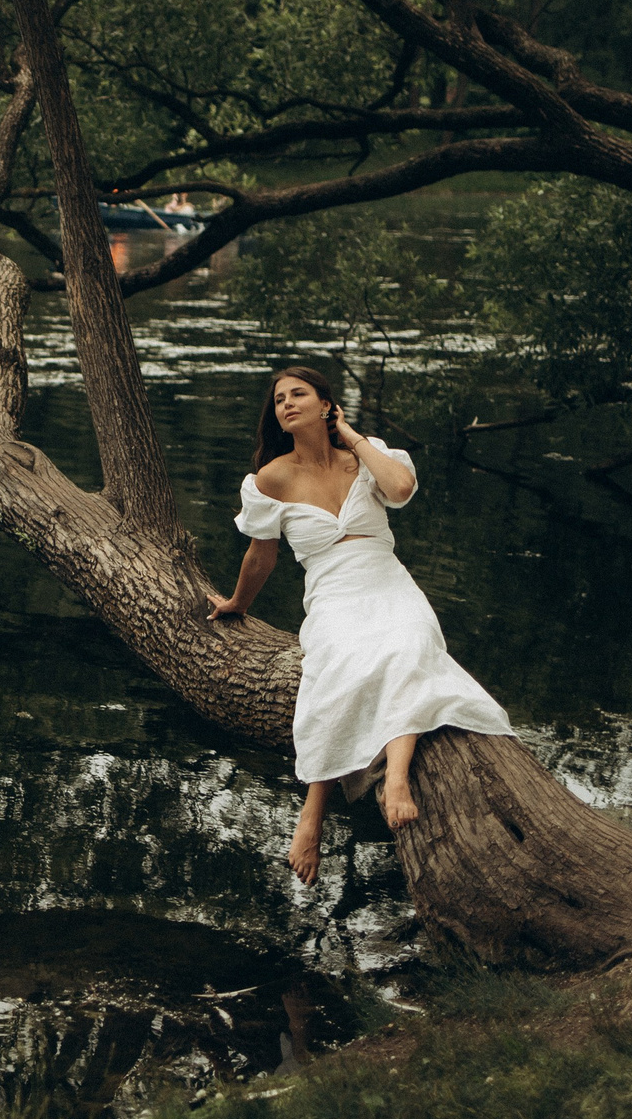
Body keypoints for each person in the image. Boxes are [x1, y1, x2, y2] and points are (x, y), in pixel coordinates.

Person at [209, 366, 514, 883]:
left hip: (385, 576)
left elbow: (401, 488)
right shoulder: (271, 478)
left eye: (299, 394)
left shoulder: (365, 456)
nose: (287, 404)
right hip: (332, 589)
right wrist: (238, 602)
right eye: (279, 399)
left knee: (409, 643)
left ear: (326, 405)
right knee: (338, 663)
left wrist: (350, 436)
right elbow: (262, 556)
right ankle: (312, 815)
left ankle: (397, 779)